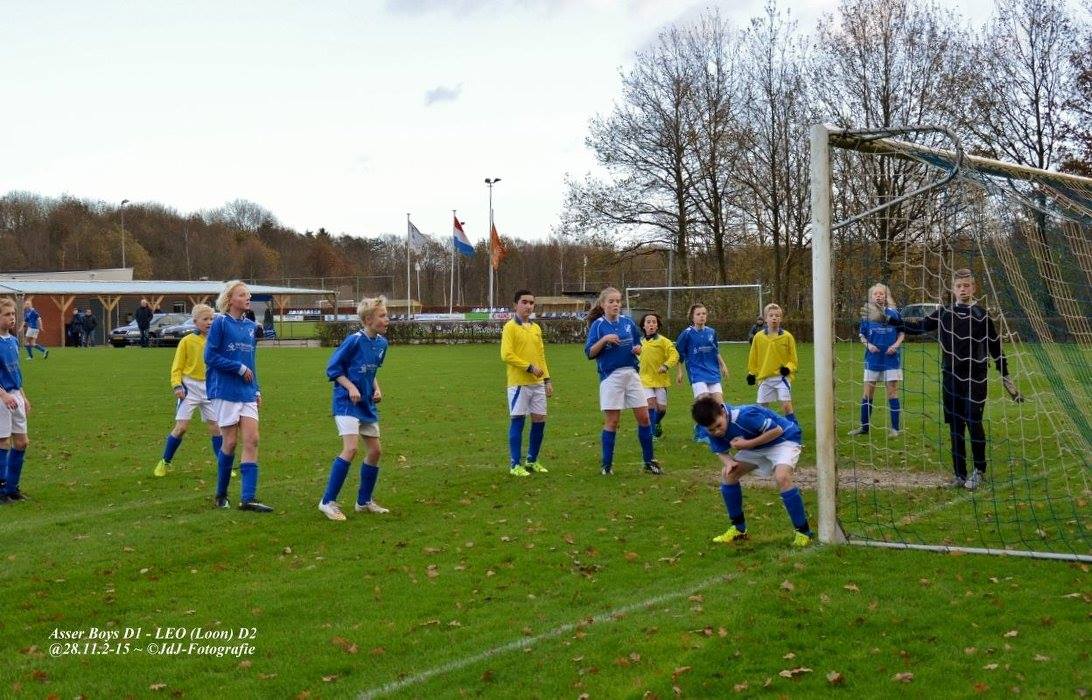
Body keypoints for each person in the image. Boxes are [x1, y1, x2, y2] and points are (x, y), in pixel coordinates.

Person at [900, 269, 1023, 490]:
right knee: (955, 425)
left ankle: (979, 470)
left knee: (973, 421)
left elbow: (995, 347)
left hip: (975, 376)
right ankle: (959, 474)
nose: (963, 289)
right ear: (953, 288)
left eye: (967, 285)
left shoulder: (981, 315)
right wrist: (888, 320)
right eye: (959, 286)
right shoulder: (944, 312)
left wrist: (1005, 375)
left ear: (974, 288)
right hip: (950, 376)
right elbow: (917, 327)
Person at [691, 396, 814, 547]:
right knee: (728, 474)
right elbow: (720, 450)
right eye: (711, 429)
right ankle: (738, 529)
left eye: (718, 426)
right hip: (756, 447)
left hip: (783, 439)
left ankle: (804, 533)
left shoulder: (744, 415)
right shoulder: (708, 427)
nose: (717, 431)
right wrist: (729, 462)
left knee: (782, 477)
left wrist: (747, 444)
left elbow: (777, 430)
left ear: (723, 413)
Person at [319, 297, 390, 520]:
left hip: (366, 404)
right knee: (350, 449)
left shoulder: (382, 344)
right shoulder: (354, 341)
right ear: (368, 319)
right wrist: (350, 387)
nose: (387, 319)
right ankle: (327, 502)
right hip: (346, 403)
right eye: (382, 316)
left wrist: (376, 389)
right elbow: (333, 369)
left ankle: (363, 501)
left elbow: (371, 372)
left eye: (386, 315)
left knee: (375, 451)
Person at [204, 280, 272, 512]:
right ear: (230, 299)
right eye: (242, 294)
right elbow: (210, 357)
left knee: (252, 439)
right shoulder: (220, 323)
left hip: (246, 392)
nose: (248, 297)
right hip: (224, 390)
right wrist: (238, 369)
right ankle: (221, 494)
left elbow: (251, 362)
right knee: (230, 443)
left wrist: (257, 388)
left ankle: (248, 498)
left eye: (248, 294)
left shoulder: (251, 326)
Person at [584, 287, 661, 475]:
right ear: (603, 305)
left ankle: (649, 461)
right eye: (611, 301)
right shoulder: (598, 326)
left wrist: (638, 349)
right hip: (611, 376)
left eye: (618, 301)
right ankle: (607, 465)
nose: (615, 304)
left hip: (632, 374)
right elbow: (589, 353)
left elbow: (638, 345)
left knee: (644, 418)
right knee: (613, 421)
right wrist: (604, 340)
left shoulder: (627, 322)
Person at [153, 304, 222, 477]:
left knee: (216, 427)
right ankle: (165, 461)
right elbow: (177, 367)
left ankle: (223, 464)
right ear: (195, 321)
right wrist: (177, 385)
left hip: (210, 388)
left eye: (211, 319)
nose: (209, 322)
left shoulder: (216, 340)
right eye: (205, 319)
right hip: (189, 388)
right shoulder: (187, 341)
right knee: (182, 427)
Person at [500, 289, 552, 477]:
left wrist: (547, 379)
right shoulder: (510, 327)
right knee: (518, 420)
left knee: (539, 420)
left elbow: (541, 355)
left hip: (538, 383)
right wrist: (529, 367)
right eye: (524, 302)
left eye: (531, 303)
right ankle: (515, 464)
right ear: (515, 305)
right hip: (519, 383)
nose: (528, 306)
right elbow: (506, 355)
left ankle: (532, 460)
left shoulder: (536, 328)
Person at [848, 284, 904, 438]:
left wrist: (895, 345)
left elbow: (902, 333)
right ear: (871, 297)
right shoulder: (866, 315)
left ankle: (895, 429)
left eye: (882, 294)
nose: (879, 296)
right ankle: (864, 427)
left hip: (891, 360)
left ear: (886, 296)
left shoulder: (893, 313)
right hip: (873, 359)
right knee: (867, 394)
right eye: (875, 294)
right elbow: (862, 335)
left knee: (892, 393)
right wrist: (869, 345)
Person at [675, 303, 730, 442]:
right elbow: (678, 354)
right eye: (698, 314)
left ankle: (720, 431)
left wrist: (723, 365)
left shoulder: (711, 332)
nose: (702, 316)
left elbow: (715, 350)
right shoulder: (686, 334)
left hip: (712, 372)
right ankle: (701, 433)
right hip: (696, 373)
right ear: (692, 317)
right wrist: (680, 372)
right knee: (704, 402)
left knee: (719, 404)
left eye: (704, 313)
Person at [745, 303, 799, 424]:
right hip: (765, 378)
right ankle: (765, 433)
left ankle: (795, 435)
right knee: (762, 408)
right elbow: (753, 356)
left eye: (777, 315)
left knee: (786, 406)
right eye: (771, 315)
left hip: (782, 378)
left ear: (781, 318)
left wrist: (788, 368)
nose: (774, 318)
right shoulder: (758, 337)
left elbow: (793, 359)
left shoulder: (787, 337)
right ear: (765, 318)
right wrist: (752, 373)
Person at [0, 298, 31, 503]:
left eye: (13, 314)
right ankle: (1, 490)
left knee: (21, 442)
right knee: (3, 442)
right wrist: (4, 395)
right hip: (2, 397)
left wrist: (23, 396)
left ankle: (12, 488)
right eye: (7, 315)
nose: (12, 318)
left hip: (16, 395)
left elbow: (15, 371)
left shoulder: (12, 340)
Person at [637, 312, 678, 439]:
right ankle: (651, 431)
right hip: (645, 379)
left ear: (657, 326)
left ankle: (656, 421)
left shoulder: (664, 341)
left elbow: (675, 355)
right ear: (643, 326)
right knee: (651, 405)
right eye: (648, 322)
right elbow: (634, 357)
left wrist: (665, 366)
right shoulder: (639, 342)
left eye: (654, 322)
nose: (651, 324)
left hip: (661, 380)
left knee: (661, 409)